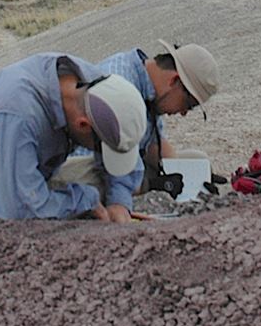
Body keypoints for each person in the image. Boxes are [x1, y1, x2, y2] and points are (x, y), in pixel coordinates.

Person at [0, 55, 145, 229]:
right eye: (101, 147)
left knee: (97, 188)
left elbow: (123, 149)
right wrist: (86, 201)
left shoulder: (91, 82)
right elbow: (16, 209)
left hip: (31, 178)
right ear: (83, 125)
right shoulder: (16, 116)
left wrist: (119, 203)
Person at [53, 41, 220, 221]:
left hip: (123, 161)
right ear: (174, 81)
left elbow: (155, 146)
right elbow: (106, 161)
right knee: (109, 183)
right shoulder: (120, 79)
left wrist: (194, 176)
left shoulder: (152, 89)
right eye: (189, 104)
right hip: (82, 163)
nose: (184, 113)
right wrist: (152, 185)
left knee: (197, 158)